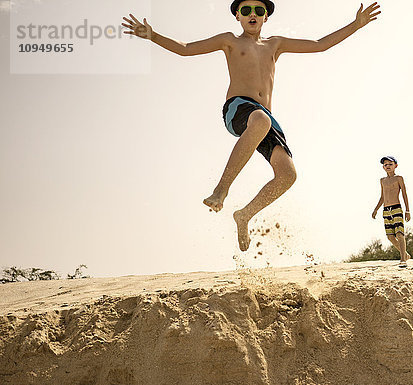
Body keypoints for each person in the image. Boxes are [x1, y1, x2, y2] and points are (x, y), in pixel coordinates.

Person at [122, 1, 381, 251]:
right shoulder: (230, 41)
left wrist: (355, 25)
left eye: (259, 10)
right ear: (238, 16)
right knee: (261, 119)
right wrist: (153, 36)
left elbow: (319, 44)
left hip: (264, 117)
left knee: (287, 175)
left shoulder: (275, 44)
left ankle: (245, 215)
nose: (252, 14)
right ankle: (221, 190)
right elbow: (187, 48)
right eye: (246, 10)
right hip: (239, 108)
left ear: (266, 16)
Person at [372, 156, 411, 267]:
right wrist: (376, 209)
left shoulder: (399, 178)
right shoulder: (382, 181)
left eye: (390, 164)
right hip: (386, 209)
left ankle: (403, 259)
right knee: (390, 236)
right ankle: (406, 254)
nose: (387, 166)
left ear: (395, 166)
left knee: (399, 233)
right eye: (385, 165)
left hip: (396, 208)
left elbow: (404, 194)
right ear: (383, 167)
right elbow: (382, 197)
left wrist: (407, 210)